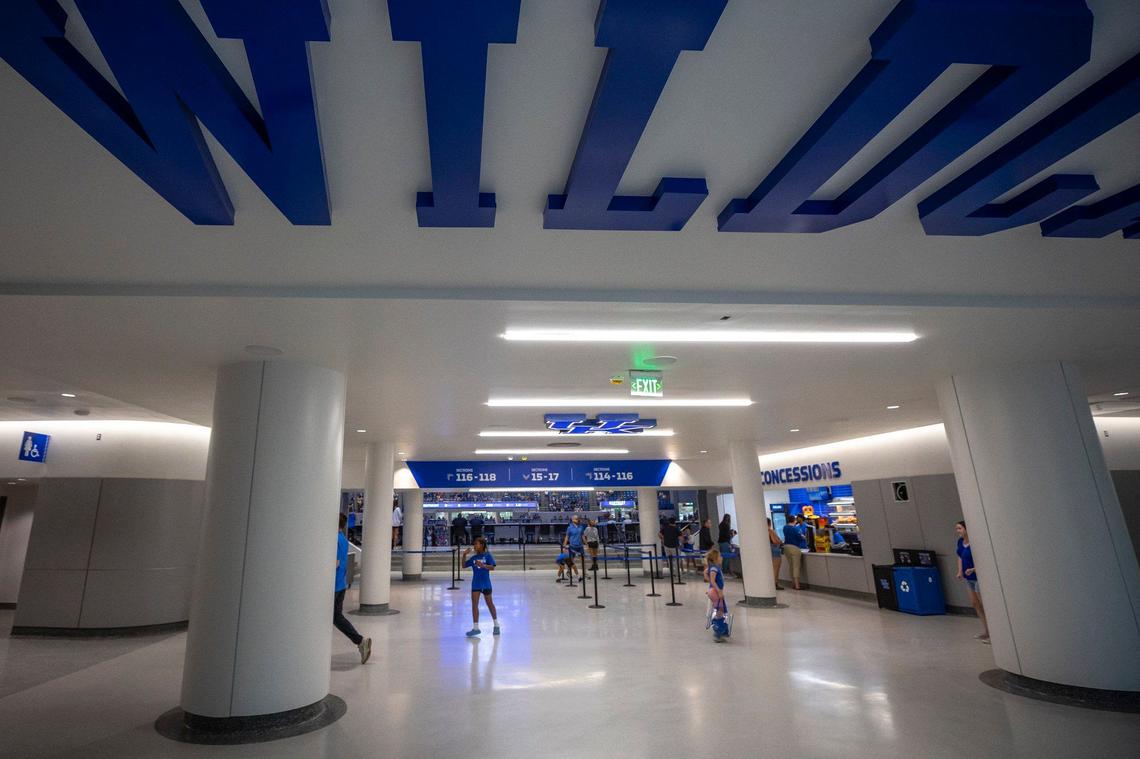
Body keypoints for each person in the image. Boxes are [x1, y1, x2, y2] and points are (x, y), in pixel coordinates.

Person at [334, 513, 372, 663]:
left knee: (336, 617)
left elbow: (336, 562)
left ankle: (360, 641)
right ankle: (360, 642)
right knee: (336, 617)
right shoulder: (343, 539)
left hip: (334, 585)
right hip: (341, 584)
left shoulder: (335, 539)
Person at [955, 520, 990, 644]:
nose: (957, 531)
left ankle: (995, 633)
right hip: (968, 578)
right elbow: (959, 556)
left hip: (978, 577)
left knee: (985, 604)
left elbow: (983, 560)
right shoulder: (960, 542)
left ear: (966, 529)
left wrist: (974, 569)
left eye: (959, 528)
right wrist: (960, 571)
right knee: (975, 604)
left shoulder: (974, 543)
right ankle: (987, 631)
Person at [462, 536, 499, 636]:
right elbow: (464, 565)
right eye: (474, 544)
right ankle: (475, 628)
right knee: (474, 605)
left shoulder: (487, 556)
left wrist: (483, 566)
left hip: (486, 583)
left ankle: (496, 625)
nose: (474, 546)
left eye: (476, 544)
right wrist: (464, 555)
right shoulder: (474, 558)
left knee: (490, 604)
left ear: (482, 545)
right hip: (476, 584)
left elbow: (493, 567)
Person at [703, 547, 730, 642]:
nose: (721, 557)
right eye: (720, 556)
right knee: (720, 610)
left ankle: (724, 630)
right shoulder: (714, 568)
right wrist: (718, 591)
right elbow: (713, 581)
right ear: (715, 558)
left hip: (713, 590)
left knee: (722, 609)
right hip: (715, 591)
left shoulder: (712, 567)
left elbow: (706, 575)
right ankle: (718, 631)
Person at [782, 516, 808, 590]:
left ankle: (793, 584)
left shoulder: (785, 527)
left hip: (786, 547)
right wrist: (803, 537)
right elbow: (800, 537)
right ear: (794, 520)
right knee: (796, 566)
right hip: (794, 548)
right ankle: (797, 585)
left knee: (791, 566)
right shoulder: (795, 528)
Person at [767, 517, 784, 591]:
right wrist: (780, 541)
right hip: (774, 550)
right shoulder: (770, 530)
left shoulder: (761, 532)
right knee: (776, 568)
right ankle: (775, 583)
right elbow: (775, 541)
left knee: (770, 569)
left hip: (768, 550)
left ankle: (770, 583)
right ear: (769, 523)